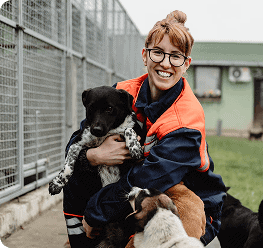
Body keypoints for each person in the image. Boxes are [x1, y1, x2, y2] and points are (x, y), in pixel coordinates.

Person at [63, 10, 226, 247]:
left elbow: (150, 178)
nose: (165, 63)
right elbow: (80, 137)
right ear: (145, 56)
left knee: (177, 211)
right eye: (158, 53)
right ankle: (79, 239)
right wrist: (93, 155)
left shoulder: (187, 117)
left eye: (176, 56)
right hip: (136, 195)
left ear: (186, 63)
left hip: (180, 197)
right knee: (78, 167)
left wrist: (95, 211)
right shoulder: (122, 92)